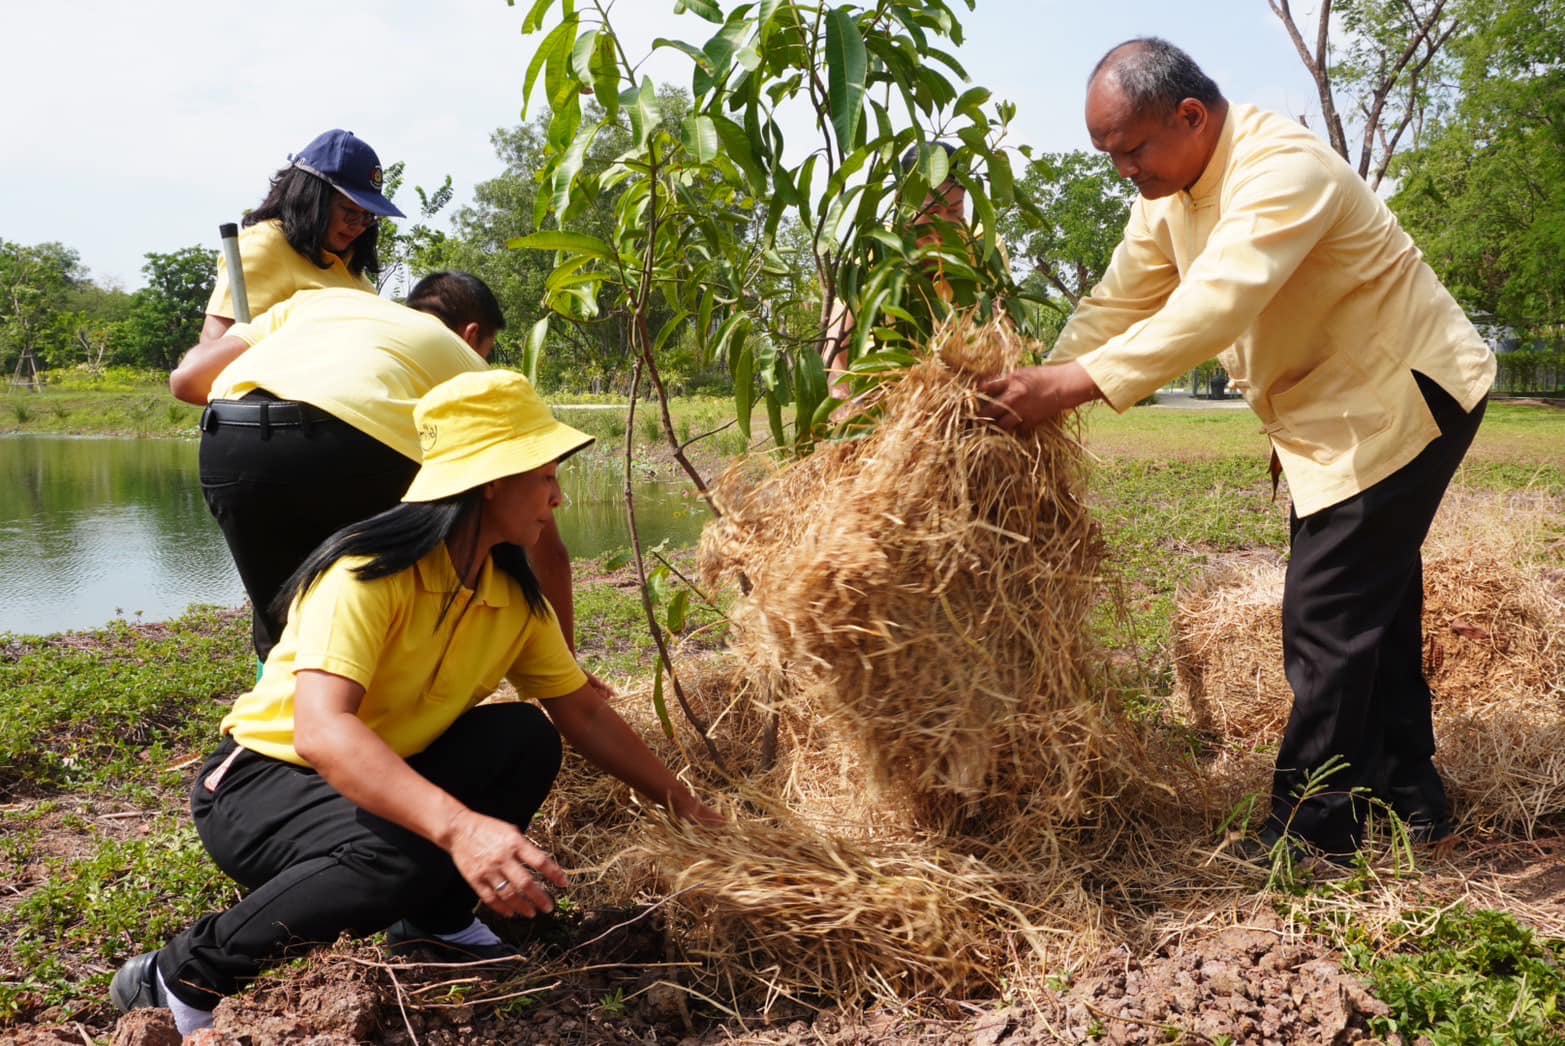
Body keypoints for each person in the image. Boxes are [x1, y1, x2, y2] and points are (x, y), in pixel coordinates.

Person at [977, 38, 1495, 858]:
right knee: (1372, 608)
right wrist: (1041, 374)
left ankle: (1311, 837)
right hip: (1328, 410)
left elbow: (1213, 306)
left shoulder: (1280, 167)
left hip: (1399, 397)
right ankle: (1411, 797)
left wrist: (1071, 386)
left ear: (1190, 115)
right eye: (1109, 156)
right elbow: (1120, 298)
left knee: (1325, 618)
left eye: (1131, 149)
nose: (1124, 171)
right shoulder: (1167, 193)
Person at [110, 369, 722, 1036]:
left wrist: (685, 806)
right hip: (261, 783)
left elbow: (583, 713)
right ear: (493, 478)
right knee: (404, 851)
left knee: (525, 735)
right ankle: (183, 975)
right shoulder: (366, 578)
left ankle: (435, 920)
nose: (558, 497)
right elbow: (321, 731)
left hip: (369, 774)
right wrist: (460, 828)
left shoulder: (510, 595)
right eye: (545, 476)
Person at [171, 272, 575, 664]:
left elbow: (187, 381)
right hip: (350, 447)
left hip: (229, 442)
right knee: (406, 589)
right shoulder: (465, 361)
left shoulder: (321, 301)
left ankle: (282, 720)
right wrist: (567, 668)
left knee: (289, 627)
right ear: (472, 335)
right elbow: (540, 534)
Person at [201, 129, 403, 345]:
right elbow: (212, 349)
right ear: (311, 199)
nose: (359, 227)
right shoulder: (265, 245)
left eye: (368, 217)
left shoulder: (350, 268)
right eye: (350, 212)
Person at [821, 142, 971, 400]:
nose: (945, 223)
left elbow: (1003, 332)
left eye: (955, 211)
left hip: (963, 402)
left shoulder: (977, 247)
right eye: (932, 211)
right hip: (886, 404)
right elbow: (835, 351)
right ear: (902, 203)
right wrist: (844, 408)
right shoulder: (876, 250)